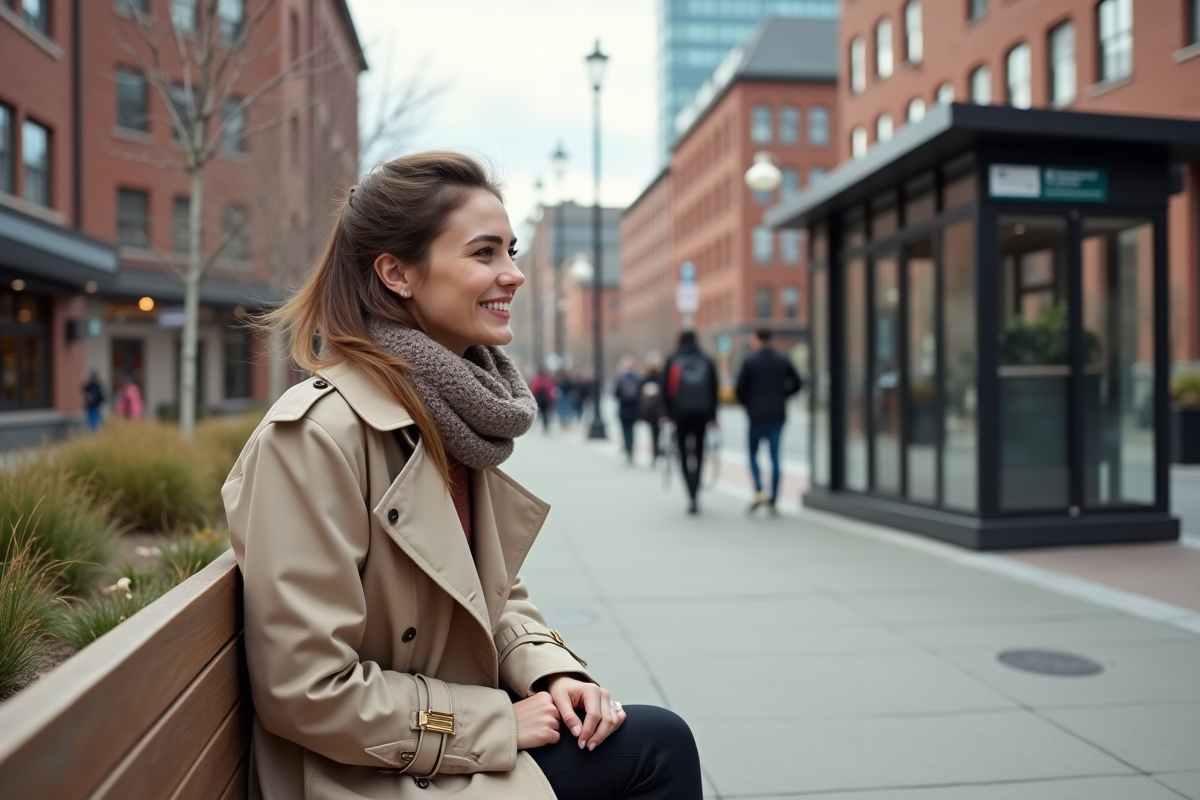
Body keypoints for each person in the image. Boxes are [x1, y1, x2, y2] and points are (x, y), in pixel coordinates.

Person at [225, 152, 701, 800]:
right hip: (364, 775)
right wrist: (493, 723)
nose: (515, 274)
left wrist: (549, 674)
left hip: (423, 751)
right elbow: (305, 689)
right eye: (485, 254)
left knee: (645, 739)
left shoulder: (444, 414)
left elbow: (487, 597)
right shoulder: (317, 437)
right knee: (658, 748)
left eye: (511, 250)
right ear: (396, 273)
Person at [736, 329, 803, 516]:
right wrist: (782, 396)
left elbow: (740, 389)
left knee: (752, 455)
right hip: (777, 414)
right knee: (775, 457)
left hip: (756, 414)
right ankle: (773, 500)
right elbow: (797, 383)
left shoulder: (750, 361)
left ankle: (759, 489)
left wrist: (749, 404)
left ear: (756, 339)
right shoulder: (782, 360)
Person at [664, 331, 718, 514]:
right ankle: (697, 488)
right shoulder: (706, 359)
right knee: (700, 452)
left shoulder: (673, 359)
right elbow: (714, 389)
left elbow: (666, 389)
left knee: (683, 454)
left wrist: (666, 414)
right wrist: (713, 416)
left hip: (680, 414)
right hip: (702, 413)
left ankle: (690, 492)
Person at [637, 352, 665, 464]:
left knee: (654, 432)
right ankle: (657, 451)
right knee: (658, 431)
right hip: (659, 409)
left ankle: (656, 451)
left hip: (650, 410)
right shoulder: (661, 378)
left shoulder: (646, 379)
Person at [613, 356, 642, 464]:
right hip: (634, 409)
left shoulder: (621, 379)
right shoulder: (637, 379)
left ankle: (628, 448)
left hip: (624, 408)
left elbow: (615, 394)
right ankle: (630, 449)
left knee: (625, 430)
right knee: (632, 430)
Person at [528, 368, 556, 433]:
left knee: (538, 412)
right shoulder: (547, 380)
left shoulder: (536, 380)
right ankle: (545, 425)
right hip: (545, 399)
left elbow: (534, 389)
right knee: (545, 413)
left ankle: (539, 424)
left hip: (539, 399)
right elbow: (550, 390)